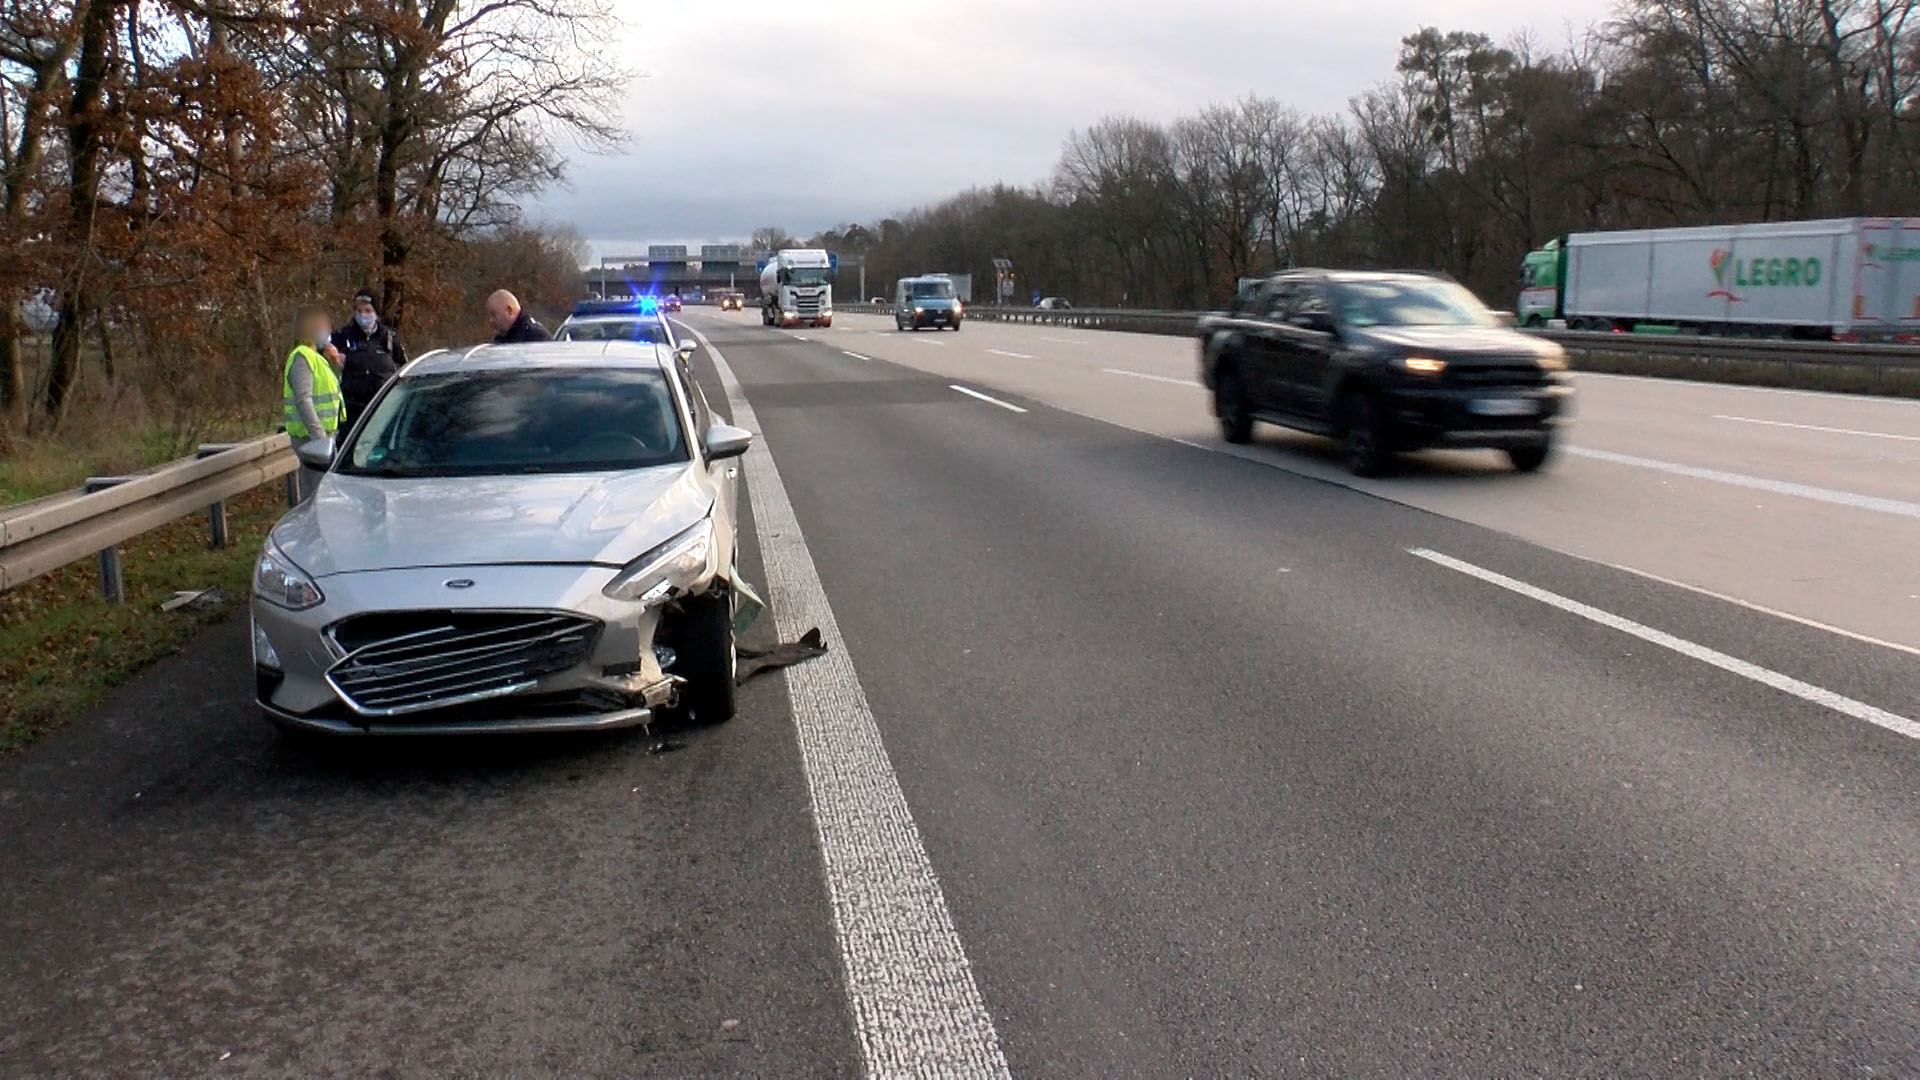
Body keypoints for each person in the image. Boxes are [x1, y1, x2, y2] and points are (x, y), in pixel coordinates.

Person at [284, 305, 344, 500]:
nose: (329, 332)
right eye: (325, 327)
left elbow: (333, 389)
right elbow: (304, 400)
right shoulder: (302, 357)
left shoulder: (316, 357)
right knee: (316, 496)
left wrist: (336, 364)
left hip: (325, 438)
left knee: (324, 494)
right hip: (313, 441)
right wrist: (319, 438)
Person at [332, 287, 406, 424]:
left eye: (368, 311)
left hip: (382, 409)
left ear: (376, 313)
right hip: (351, 410)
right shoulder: (342, 336)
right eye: (359, 311)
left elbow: (403, 368)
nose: (363, 315)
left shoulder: (389, 338)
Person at [487, 289, 551, 343]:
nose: (490, 320)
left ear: (509, 311)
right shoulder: (503, 338)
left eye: (494, 315)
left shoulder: (536, 337)